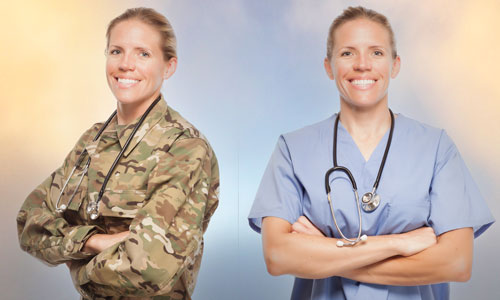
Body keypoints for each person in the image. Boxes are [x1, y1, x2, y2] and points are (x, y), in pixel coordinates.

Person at [248, 6, 494, 300]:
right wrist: (398, 244)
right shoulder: (293, 149)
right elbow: (278, 257)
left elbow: (457, 263)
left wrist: (327, 253)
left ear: (395, 64)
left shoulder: (436, 147)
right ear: (329, 66)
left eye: (376, 52)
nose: (362, 65)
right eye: (347, 53)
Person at [16, 7, 219, 300]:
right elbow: (29, 222)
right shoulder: (92, 141)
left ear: (169, 66)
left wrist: (77, 268)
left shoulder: (185, 147)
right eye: (116, 51)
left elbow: (151, 268)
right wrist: (93, 242)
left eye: (143, 54)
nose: (126, 64)